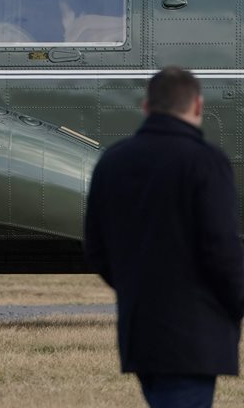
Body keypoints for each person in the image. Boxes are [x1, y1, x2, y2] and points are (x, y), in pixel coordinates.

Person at [84, 67, 244, 408]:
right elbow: (221, 249)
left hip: (140, 331)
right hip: (195, 335)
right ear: (198, 106)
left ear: (146, 107)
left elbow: (96, 249)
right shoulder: (206, 162)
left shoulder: (111, 162)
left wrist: (136, 287)